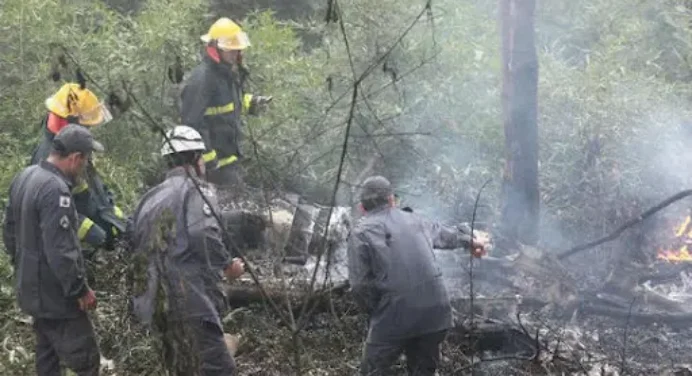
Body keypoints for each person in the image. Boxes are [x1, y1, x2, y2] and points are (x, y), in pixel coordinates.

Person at [127, 125, 246, 375]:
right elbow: (202, 232)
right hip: (187, 301)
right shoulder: (197, 189)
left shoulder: (149, 198)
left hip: (152, 302)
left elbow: (133, 241)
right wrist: (227, 265)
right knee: (218, 369)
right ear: (195, 159)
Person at [347, 176, 486, 376]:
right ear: (392, 200)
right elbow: (448, 236)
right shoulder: (416, 219)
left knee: (373, 371)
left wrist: (376, 311)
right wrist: (471, 241)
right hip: (436, 312)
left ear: (362, 208)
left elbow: (360, 286)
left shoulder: (359, 233)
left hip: (394, 314)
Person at [3, 124, 103, 376]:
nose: (84, 167)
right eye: (85, 160)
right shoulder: (55, 190)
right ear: (75, 157)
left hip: (32, 292)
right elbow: (61, 249)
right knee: (87, 360)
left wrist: (24, 269)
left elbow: (9, 232)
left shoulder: (25, 176)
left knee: (47, 358)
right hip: (57, 298)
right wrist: (79, 289)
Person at [30, 82, 125, 253]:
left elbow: (92, 188)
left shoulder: (73, 147)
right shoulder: (50, 159)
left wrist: (112, 213)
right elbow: (52, 212)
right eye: (87, 126)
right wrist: (94, 234)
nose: (89, 130)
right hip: (79, 251)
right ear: (71, 123)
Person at [179, 17, 272, 189]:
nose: (235, 54)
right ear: (215, 48)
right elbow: (192, 124)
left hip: (229, 160)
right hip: (213, 167)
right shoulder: (203, 78)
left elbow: (226, 105)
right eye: (230, 50)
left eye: (237, 50)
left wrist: (252, 103)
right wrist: (208, 159)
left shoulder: (225, 74)